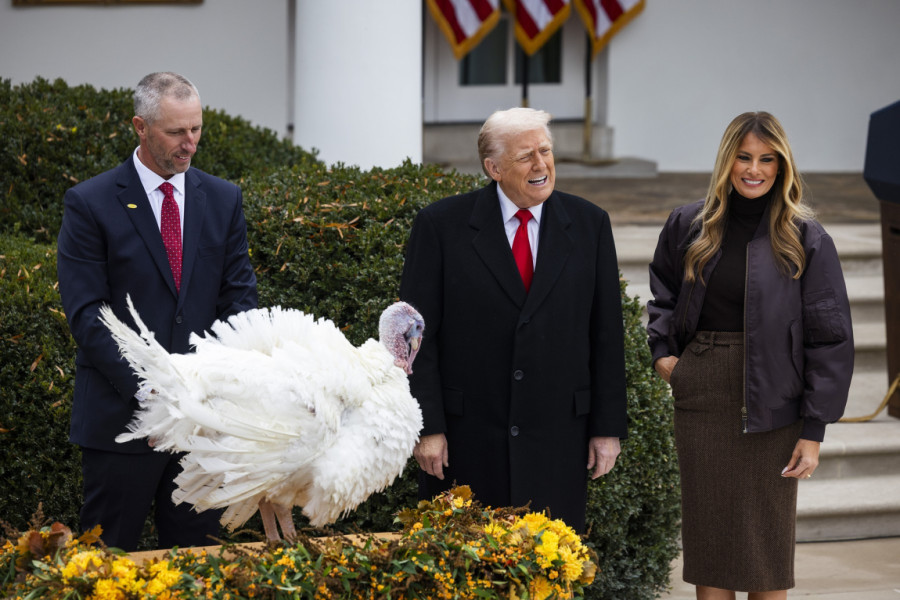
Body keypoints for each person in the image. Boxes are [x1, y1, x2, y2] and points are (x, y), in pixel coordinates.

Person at [647, 112, 853, 599]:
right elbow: (663, 296)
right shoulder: (688, 224)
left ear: (782, 166)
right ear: (727, 160)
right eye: (744, 157)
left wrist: (814, 430)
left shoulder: (805, 236)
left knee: (766, 551)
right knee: (711, 545)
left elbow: (829, 337)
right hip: (704, 396)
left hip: (775, 401)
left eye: (767, 159)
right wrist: (664, 355)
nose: (754, 169)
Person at [399, 107, 628, 533]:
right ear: (494, 168)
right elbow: (415, 339)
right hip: (467, 442)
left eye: (546, 151)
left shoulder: (590, 224)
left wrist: (607, 429)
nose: (541, 164)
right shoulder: (440, 226)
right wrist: (427, 427)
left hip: (559, 438)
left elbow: (607, 335)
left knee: (550, 564)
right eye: (526, 156)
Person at [57, 72, 258, 551]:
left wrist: (212, 389)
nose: (190, 144)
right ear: (140, 127)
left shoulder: (223, 199)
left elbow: (239, 301)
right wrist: (152, 394)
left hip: (202, 426)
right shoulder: (90, 203)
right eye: (175, 132)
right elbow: (87, 314)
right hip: (122, 422)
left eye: (196, 129)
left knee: (203, 564)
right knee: (106, 562)